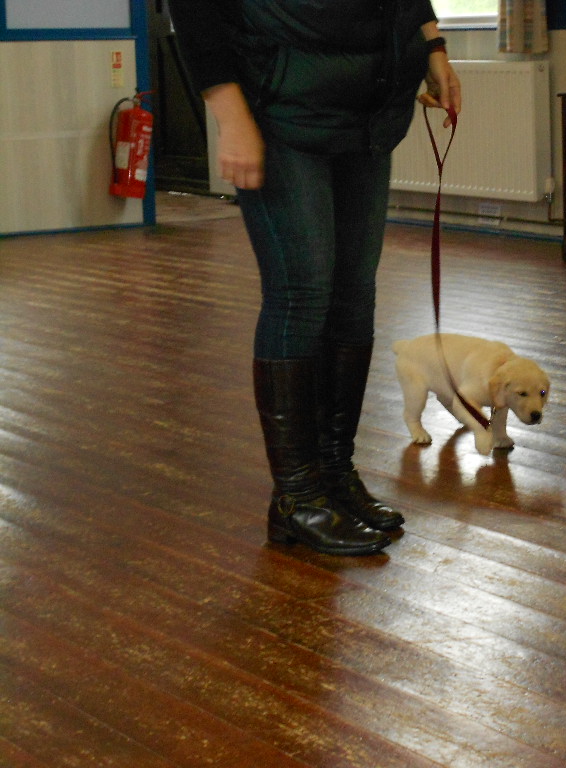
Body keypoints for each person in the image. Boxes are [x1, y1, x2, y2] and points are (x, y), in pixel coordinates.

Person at [168, 0, 461, 556]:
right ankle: (296, 499)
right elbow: (196, 10)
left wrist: (433, 49)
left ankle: (333, 476)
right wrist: (230, 117)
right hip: (278, 114)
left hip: (369, 111)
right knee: (301, 294)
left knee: (355, 296)